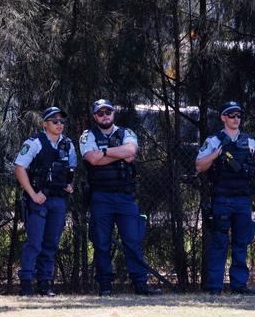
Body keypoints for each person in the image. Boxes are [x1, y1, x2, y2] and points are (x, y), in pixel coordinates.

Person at [79, 99, 161, 296]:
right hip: (100, 197)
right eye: (100, 113)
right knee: (101, 243)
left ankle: (140, 285)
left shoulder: (127, 133)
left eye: (108, 112)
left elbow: (131, 152)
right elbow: (91, 159)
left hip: (126, 197)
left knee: (132, 242)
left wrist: (105, 152)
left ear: (113, 114)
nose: (105, 116)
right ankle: (105, 286)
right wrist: (118, 154)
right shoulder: (87, 136)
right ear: (95, 117)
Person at [195, 101, 255, 295]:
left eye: (239, 115)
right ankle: (215, 287)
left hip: (243, 199)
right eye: (232, 115)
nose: (236, 119)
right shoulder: (214, 140)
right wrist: (215, 155)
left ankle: (239, 285)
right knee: (219, 243)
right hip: (222, 198)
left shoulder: (248, 141)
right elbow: (199, 166)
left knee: (241, 243)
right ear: (223, 117)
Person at [15, 106, 77, 296]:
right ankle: (26, 283)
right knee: (34, 242)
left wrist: (70, 184)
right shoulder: (35, 143)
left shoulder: (67, 144)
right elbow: (19, 167)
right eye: (55, 121)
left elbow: (72, 168)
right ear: (44, 124)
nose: (59, 125)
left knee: (51, 243)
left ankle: (44, 283)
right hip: (39, 200)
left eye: (62, 121)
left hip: (58, 200)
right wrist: (33, 194)